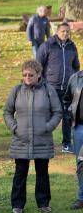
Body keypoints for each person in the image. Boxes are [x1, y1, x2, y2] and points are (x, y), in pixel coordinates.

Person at [3, 60, 63, 213]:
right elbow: (7, 112)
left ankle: (43, 203)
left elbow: (58, 112)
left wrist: (47, 127)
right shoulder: (16, 90)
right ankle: (18, 205)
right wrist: (14, 128)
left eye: (31, 75)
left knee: (42, 172)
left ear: (39, 74)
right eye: (24, 75)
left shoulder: (48, 90)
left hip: (42, 139)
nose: (27, 77)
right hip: (21, 140)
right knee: (20, 173)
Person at [37, 22, 80, 153]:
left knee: (67, 116)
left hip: (67, 89)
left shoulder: (72, 47)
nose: (65, 33)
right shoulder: (47, 45)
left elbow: (76, 66)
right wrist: (42, 84)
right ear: (57, 32)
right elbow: (38, 66)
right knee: (48, 115)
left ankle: (66, 144)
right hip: (51, 87)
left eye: (68, 31)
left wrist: (74, 82)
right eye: (63, 31)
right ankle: (42, 143)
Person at [65, 69, 83, 209]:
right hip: (79, 128)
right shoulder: (75, 78)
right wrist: (70, 117)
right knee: (81, 163)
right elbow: (66, 100)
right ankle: (82, 197)